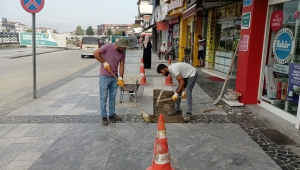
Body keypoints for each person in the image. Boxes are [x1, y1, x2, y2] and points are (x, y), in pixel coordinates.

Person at [93, 38, 129, 126]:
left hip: (114, 77)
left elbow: (122, 65)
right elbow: (95, 53)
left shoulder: (122, 53)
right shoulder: (108, 46)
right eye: (123, 48)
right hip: (104, 77)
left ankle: (112, 115)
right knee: (104, 97)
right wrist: (104, 62)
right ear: (119, 45)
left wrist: (120, 77)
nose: (124, 49)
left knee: (112, 97)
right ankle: (104, 117)